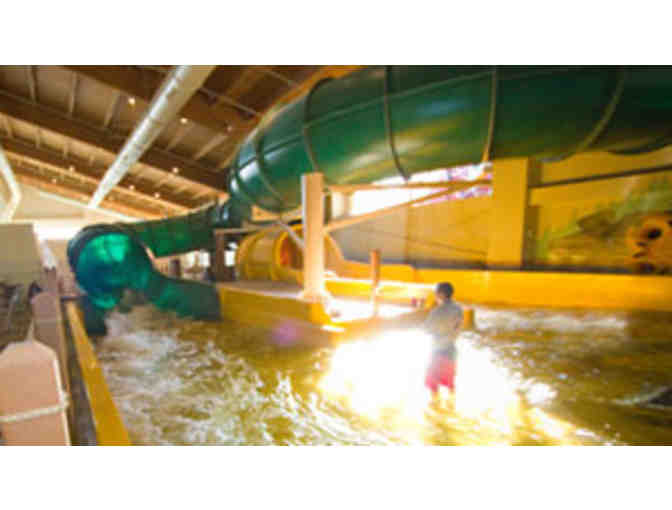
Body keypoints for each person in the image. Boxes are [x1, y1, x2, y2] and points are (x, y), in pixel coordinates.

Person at [423, 282, 462, 394]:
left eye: (436, 292)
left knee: (433, 386)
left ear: (441, 294)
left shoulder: (437, 311)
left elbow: (426, 329)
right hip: (451, 349)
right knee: (450, 384)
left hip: (438, 351)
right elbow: (458, 327)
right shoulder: (458, 308)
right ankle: (451, 403)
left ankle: (435, 403)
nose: (435, 294)